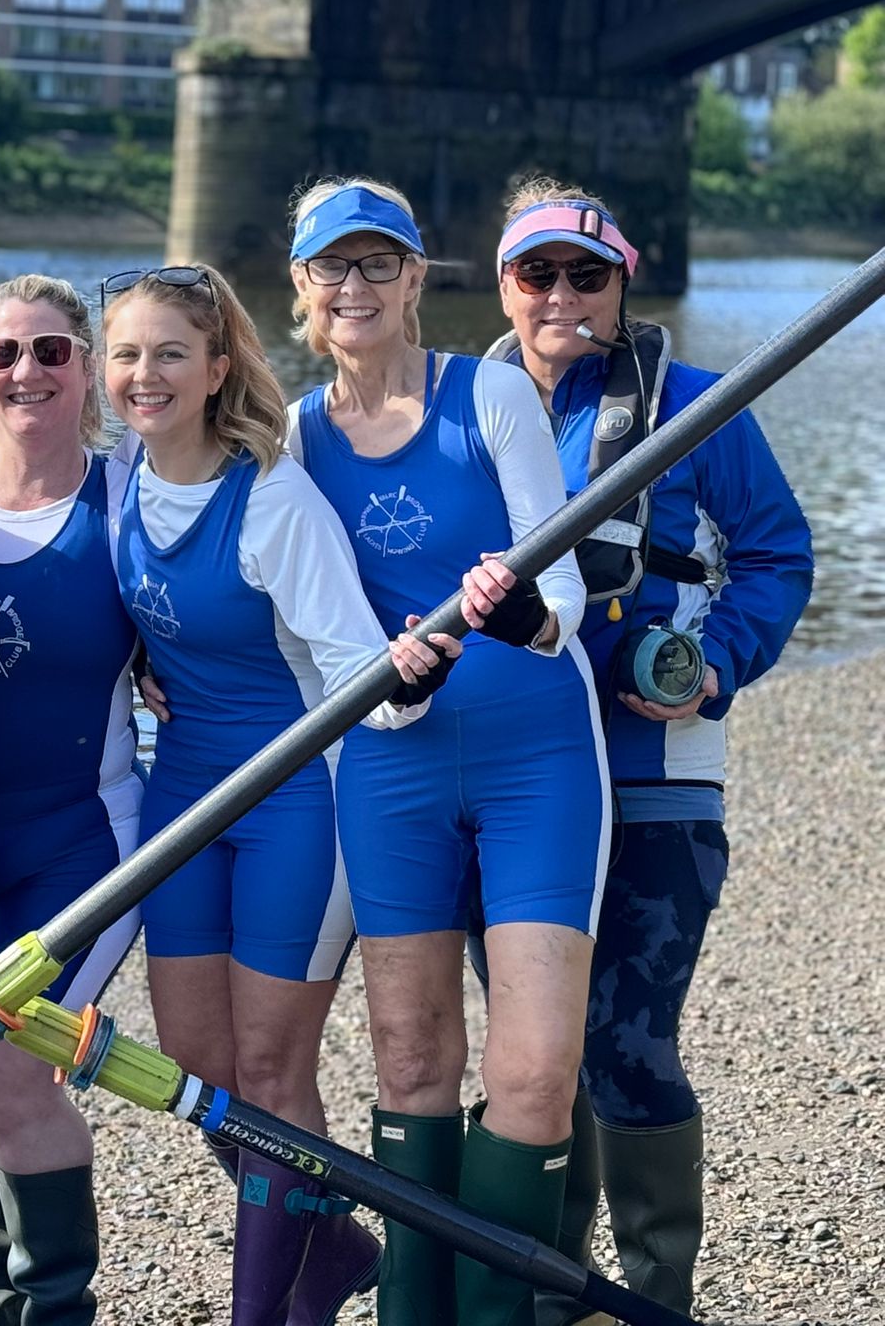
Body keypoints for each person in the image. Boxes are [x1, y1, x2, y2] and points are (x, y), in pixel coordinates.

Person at [101, 264, 457, 1326]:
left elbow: (361, 673)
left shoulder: (271, 497)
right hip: (183, 796)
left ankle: (263, 1314)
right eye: (125, 354)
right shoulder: (115, 477)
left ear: (218, 368)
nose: (144, 374)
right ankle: (336, 1244)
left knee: (267, 1067)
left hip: (298, 799)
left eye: (170, 353)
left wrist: (419, 679)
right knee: (195, 1062)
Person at [282, 178, 609, 1326]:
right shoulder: (290, 438)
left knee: (529, 1074)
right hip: (390, 760)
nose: (355, 287)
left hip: (534, 758)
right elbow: (301, 636)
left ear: (417, 279)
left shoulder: (490, 396)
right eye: (332, 268)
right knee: (409, 1065)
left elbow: (558, 581)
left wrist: (518, 613)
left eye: (379, 265)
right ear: (301, 290)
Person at [484, 180, 812, 1322]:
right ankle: (551, 1293)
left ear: (622, 284)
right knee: (536, 1054)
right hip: (512, 779)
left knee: (627, 1042)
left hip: (652, 770)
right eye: (537, 274)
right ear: (501, 284)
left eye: (588, 275)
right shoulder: (460, 413)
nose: (562, 297)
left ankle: (654, 1291)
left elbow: (774, 556)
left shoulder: (697, 406)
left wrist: (712, 657)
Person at [0, 274, 142, 1326]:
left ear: (87, 369)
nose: (26, 372)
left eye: (51, 351)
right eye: (2, 353)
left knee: (1, 1074)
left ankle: (48, 1310)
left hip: (76, 848)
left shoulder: (126, 493)